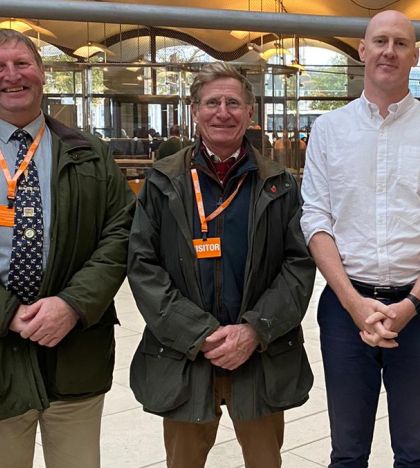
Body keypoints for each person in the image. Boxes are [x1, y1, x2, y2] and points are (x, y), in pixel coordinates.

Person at [300, 10, 420, 467]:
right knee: (347, 450)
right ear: (362, 51)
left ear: (415, 56)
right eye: (380, 41)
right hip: (344, 310)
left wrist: (412, 303)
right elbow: (315, 219)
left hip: (417, 311)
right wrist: (353, 303)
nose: (389, 51)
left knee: (414, 450)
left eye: (400, 43)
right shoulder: (329, 129)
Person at [0, 28, 134, 468]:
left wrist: (73, 304)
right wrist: (7, 314)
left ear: (42, 73)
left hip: (75, 348)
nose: (12, 76)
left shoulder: (90, 153)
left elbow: (122, 234)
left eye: (23, 64)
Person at [127, 61, 315, 468]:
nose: (223, 112)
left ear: (250, 113)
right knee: (183, 461)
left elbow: (299, 267)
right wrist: (198, 334)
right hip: (186, 357)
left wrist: (253, 330)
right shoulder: (162, 182)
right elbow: (143, 267)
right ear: (195, 112)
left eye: (234, 102)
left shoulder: (279, 184)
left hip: (259, 355)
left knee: (265, 461)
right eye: (212, 102)